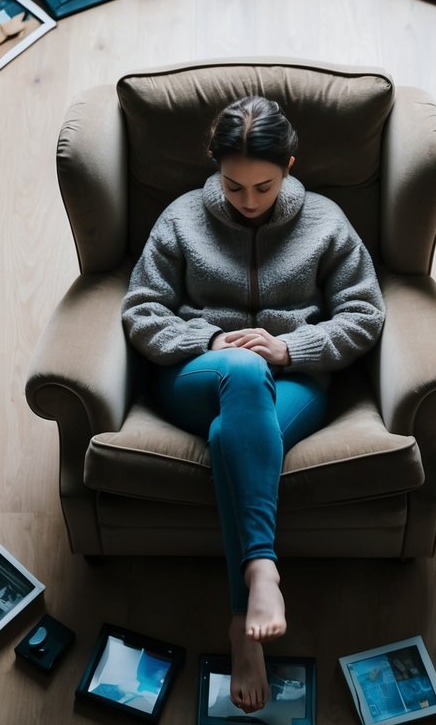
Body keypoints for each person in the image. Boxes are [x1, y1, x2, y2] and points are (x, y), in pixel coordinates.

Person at [121, 95, 385, 713]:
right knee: (238, 373)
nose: (247, 199)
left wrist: (290, 348)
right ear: (214, 169)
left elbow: (365, 314)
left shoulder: (325, 221)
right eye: (233, 185)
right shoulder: (182, 218)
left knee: (229, 436)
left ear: (290, 166)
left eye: (263, 185)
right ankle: (262, 569)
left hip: (294, 382)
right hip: (194, 374)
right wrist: (211, 340)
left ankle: (244, 626)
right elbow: (141, 310)